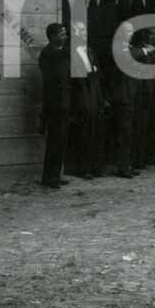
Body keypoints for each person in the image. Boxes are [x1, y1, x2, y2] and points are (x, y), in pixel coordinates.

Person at [69, 21, 105, 180]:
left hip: (94, 92)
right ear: (75, 32)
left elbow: (96, 72)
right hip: (83, 95)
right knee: (85, 133)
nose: (86, 32)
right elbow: (77, 80)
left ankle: (96, 167)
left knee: (97, 131)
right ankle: (82, 168)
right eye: (82, 30)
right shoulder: (72, 52)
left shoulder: (88, 50)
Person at [38, 23, 71, 189]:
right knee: (54, 141)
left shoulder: (60, 52)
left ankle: (56, 176)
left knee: (60, 140)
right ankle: (49, 178)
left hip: (62, 102)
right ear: (52, 37)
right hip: (54, 104)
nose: (66, 37)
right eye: (62, 34)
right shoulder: (48, 53)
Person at [108, 21, 138, 179]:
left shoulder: (128, 48)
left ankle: (128, 164)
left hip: (130, 94)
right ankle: (123, 167)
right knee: (123, 132)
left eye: (132, 31)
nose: (131, 34)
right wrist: (144, 51)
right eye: (127, 31)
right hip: (121, 96)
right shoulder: (118, 49)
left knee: (129, 132)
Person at [131, 27, 155, 169]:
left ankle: (148, 156)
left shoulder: (154, 49)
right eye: (151, 34)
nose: (153, 37)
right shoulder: (138, 49)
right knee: (141, 126)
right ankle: (139, 158)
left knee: (151, 125)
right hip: (143, 91)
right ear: (144, 34)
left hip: (154, 90)